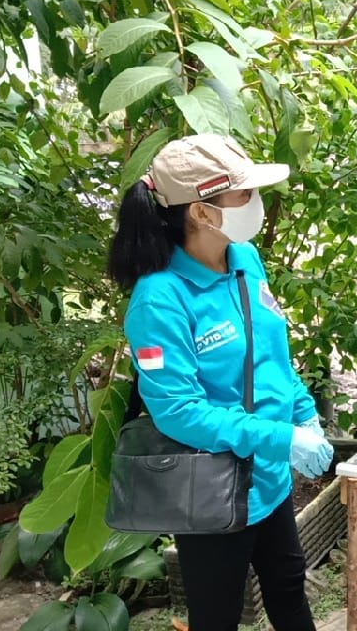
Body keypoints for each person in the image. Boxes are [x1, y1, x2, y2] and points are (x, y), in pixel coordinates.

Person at [108, 134, 333, 631]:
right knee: (217, 616)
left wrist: (302, 412)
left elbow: (274, 353)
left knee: (289, 589)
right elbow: (179, 412)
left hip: (269, 479)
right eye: (243, 195)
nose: (256, 204)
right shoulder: (160, 299)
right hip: (212, 490)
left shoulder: (244, 260)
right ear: (202, 212)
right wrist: (282, 437)